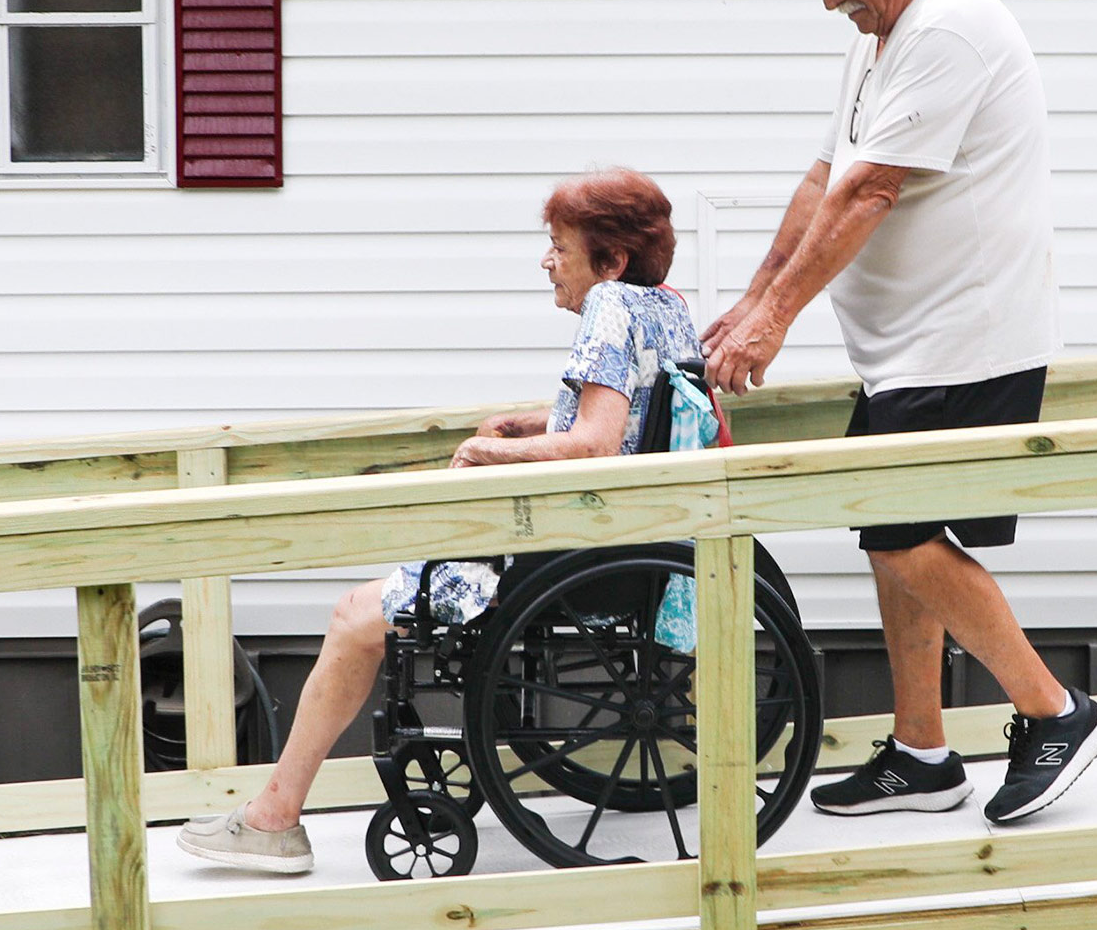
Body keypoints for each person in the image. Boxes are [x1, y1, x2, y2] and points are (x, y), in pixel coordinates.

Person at [702, 0, 1097, 827]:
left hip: (968, 335)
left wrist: (776, 320)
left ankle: (1057, 709)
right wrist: (751, 299)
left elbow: (874, 190)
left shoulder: (950, 29)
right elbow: (824, 179)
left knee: (895, 530)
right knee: (897, 538)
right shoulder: (884, 32)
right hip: (908, 344)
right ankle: (925, 749)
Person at [173, 168, 705, 876]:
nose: (547, 260)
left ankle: (274, 820)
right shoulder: (664, 306)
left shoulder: (609, 303)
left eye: (558, 246)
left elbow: (597, 445)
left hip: (568, 553)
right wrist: (533, 422)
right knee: (368, 605)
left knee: (353, 617)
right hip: (628, 541)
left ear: (608, 261)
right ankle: (272, 813)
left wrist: (491, 450)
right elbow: (634, 419)